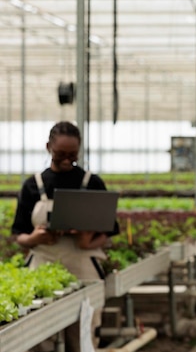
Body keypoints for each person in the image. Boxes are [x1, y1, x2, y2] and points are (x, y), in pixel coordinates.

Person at [11, 121, 119, 352]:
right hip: (42, 266)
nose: (68, 159)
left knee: (83, 334)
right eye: (61, 153)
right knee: (41, 335)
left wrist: (87, 240)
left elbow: (109, 231)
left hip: (83, 266)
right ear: (48, 147)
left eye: (73, 154)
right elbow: (18, 233)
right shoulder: (32, 186)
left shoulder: (92, 183)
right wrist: (34, 239)